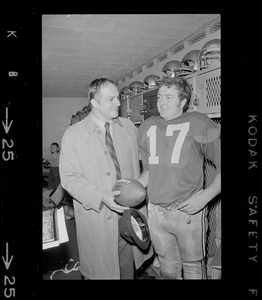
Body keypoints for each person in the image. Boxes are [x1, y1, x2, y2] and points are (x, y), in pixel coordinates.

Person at [59, 78, 153, 279]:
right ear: (94, 102)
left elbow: (147, 159)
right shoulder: (73, 135)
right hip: (99, 214)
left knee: (127, 267)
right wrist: (102, 196)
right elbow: (69, 179)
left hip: (129, 213)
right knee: (102, 270)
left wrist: (141, 185)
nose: (118, 103)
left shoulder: (128, 127)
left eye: (117, 97)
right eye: (111, 99)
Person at [137, 76, 221, 279]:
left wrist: (204, 197)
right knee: (167, 267)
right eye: (159, 97)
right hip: (156, 211)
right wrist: (130, 190)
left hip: (187, 211)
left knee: (193, 268)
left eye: (168, 97)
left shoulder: (199, 122)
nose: (161, 102)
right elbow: (148, 173)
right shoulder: (147, 126)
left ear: (183, 101)